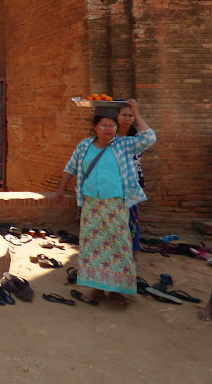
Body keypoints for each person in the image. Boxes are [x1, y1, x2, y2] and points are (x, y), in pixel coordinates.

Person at [57, 99, 155, 306]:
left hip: (116, 204)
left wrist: (135, 111)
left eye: (112, 125)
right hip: (92, 204)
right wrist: (60, 189)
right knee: (93, 247)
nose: (108, 129)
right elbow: (71, 167)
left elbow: (149, 137)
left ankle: (117, 290)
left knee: (118, 246)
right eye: (103, 125)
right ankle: (96, 289)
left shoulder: (124, 145)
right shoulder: (84, 146)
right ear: (94, 127)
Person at [117, 104, 146, 256]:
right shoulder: (109, 136)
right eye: (124, 115)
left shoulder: (137, 137)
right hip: (112, 183)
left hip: (132, 183)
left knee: (131, 220)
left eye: (130, 116)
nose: (127, 119)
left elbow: (149, 135)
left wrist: (136, 111)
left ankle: (132, 255)